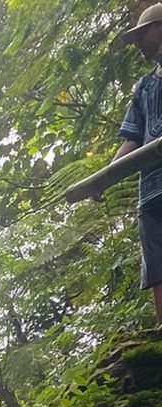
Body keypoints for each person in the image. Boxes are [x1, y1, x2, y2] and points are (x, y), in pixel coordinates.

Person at [116, 5, 162, 325]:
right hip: (151, 191)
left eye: (142, 34)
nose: (139, 43)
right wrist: (105, 177)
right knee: (158, 264)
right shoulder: (144, 86)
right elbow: (132, 137)